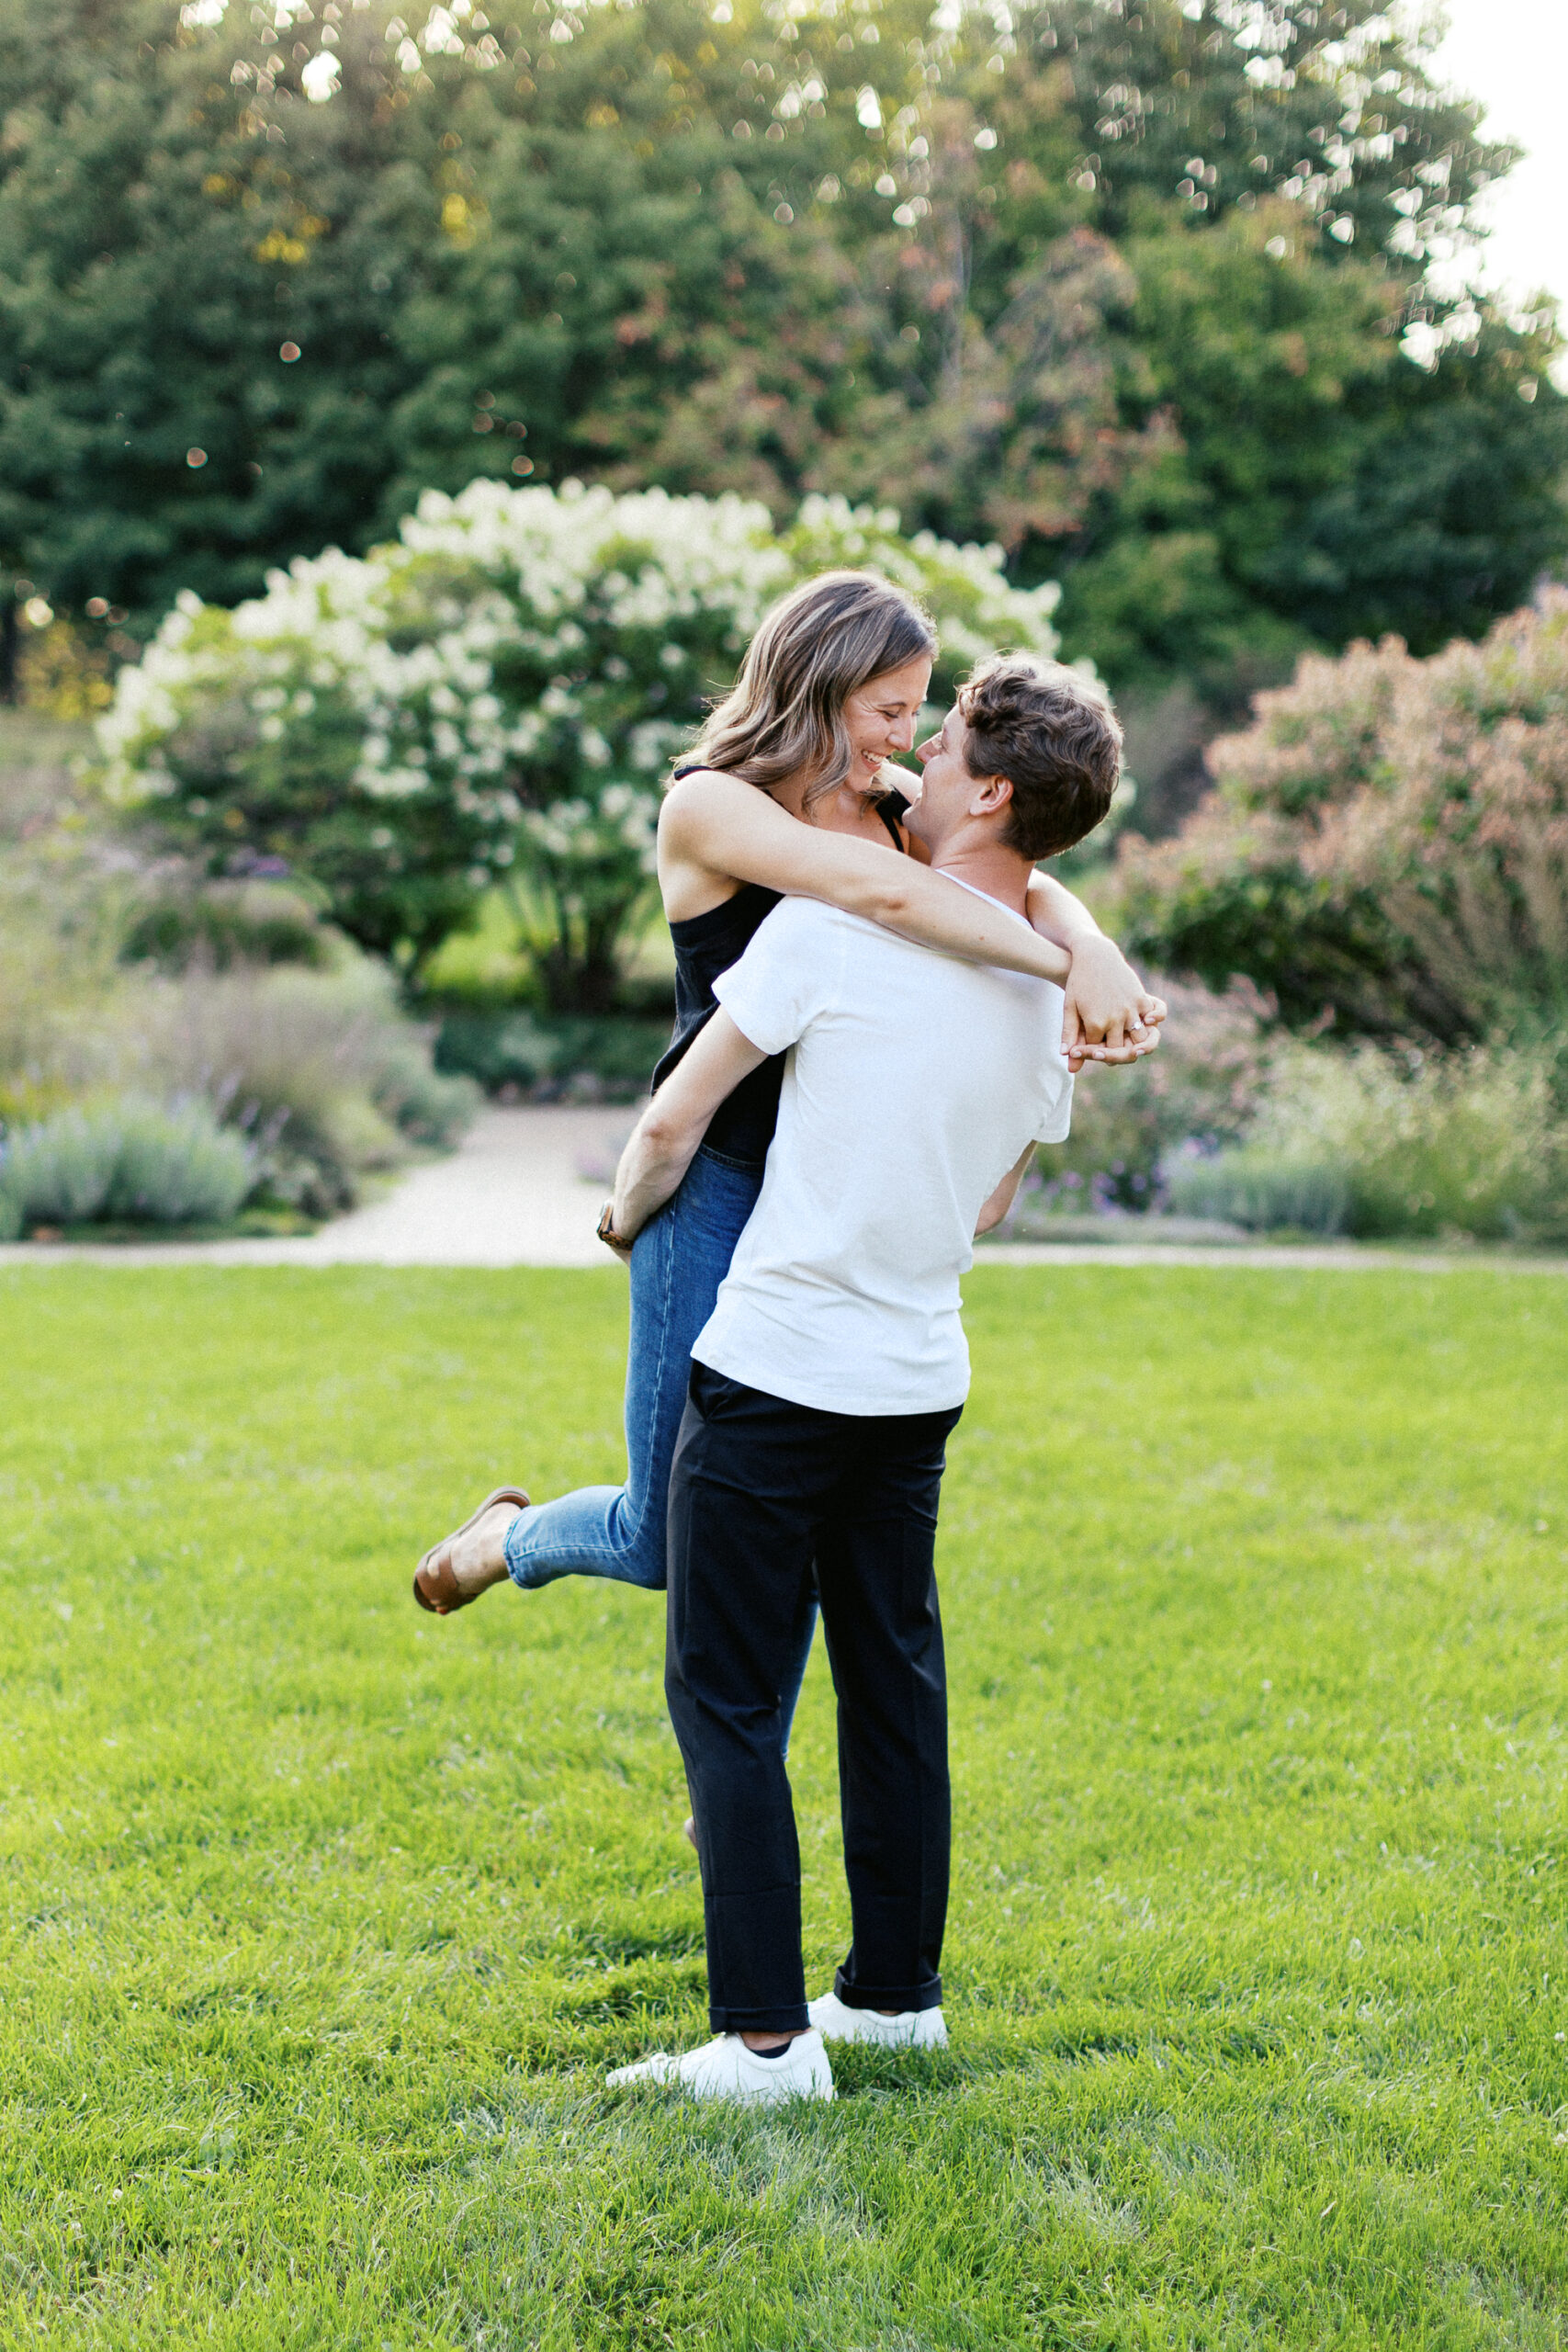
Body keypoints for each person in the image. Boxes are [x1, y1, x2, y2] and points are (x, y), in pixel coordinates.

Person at [411, 573, 1161, 1668]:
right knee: (665, 1534)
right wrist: (1070, 967)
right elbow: (896, 900)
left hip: (819, 1191)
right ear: (823, 686)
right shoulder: (712, 804)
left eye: (919, 713)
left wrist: (1090, 941)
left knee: (804, 1523)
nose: (908, 738)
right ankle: (507, 1538)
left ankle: (734, 1770)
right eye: (890, 709)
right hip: (710, 1182)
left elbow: (1015, 879)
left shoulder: (892, 802)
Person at [604, 653, 1120, 2103]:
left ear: (991, 790)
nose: (915, 761)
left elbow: (672, 1123)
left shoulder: (830, 929)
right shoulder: (1042, 1010)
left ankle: (760, 2046)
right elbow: (987, 1208)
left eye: (942, 739)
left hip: (772, 1372)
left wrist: (621, 1214)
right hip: (915, 1379)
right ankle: (891, 2005)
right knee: (892, 1690)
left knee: (721, 1696)